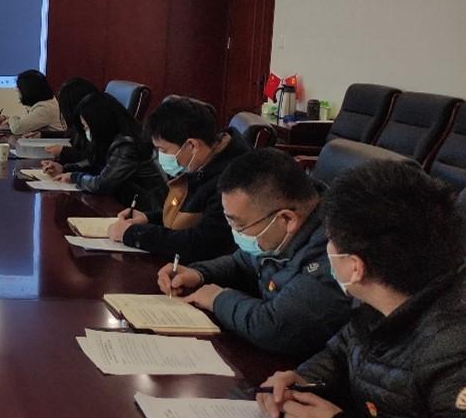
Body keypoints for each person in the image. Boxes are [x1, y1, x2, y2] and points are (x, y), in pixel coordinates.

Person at [259, 161, 466, 418]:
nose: (327, 250)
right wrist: (303, 380)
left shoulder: (453, 348)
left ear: (354, 266)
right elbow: (343, 350)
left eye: (330, 242)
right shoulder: (382, 294)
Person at [158, 148, 352, 356]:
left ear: (286, 219)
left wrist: (217, 299)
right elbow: (242, 263)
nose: (235, 232)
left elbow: (273, 327)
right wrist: (199, 274)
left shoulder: (335, 252)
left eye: (240, 225)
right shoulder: (278, 231)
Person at [109, 96, 250, 262]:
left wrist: (133, 234)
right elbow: (191, 215)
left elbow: (202, 244)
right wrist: (149, 219)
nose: (160, 157)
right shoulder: (204, 159)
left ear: (192, 145)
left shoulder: (233, 180)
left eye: (164, 150)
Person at [41, 91, 167, 211]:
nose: (86, 132)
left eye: (87, 127)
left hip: (148, 209)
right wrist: (65, 169)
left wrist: (74, 177)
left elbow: (102, 184)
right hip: (127, 203)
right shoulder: (110, 140)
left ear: (101, 124)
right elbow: (96, 165)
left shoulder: (127, 145)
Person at [43, 77, 101, 166]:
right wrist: (42, 134)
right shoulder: (83, 124)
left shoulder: (96, 127)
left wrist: (64, 152)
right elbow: (70, 134)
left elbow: (95, 159)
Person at [0, 70, 63, 136]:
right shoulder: (45, 103)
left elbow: (17, 128)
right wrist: (6, 119)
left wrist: (11, 118)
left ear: (27, 91)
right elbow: (24, 123)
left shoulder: (44, 109)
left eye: (19, 88)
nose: (17, 90)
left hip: (51, 145)